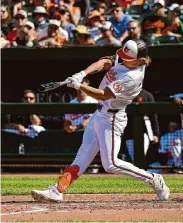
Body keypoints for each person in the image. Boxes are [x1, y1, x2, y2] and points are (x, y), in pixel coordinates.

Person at [31, 39, 170, 202]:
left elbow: (103, 94)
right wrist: (82, 74)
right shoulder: (126, 57)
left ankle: (154, 179)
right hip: (98, 115)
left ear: (140, 60)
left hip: (112, 119)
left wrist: (79, 86)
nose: (123, 59)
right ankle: (57, 190)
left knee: (111, 164)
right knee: (81, 157)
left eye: (128, 58)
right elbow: (105, 62)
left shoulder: (132, 77)